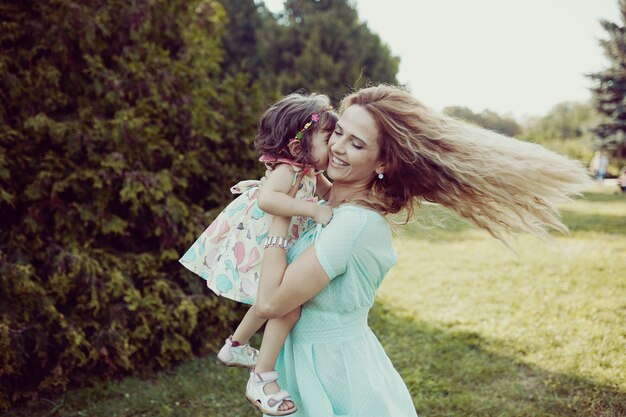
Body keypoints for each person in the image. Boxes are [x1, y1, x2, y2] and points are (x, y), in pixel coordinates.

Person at [238, 84, 591, 416]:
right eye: (338, 133)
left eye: (357, 144)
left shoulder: (352, 224)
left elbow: (271, 303)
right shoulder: (329, 204)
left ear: (383, 163)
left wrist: (278, 214)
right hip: (311, 365)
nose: (337, 148)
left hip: (336, 378)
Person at [179, 93, 337, 415]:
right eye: (328, 139)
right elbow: (268, 201)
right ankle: (262, 377)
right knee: (284, 308)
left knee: (267, 301)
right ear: (297, 148)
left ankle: (234, 346)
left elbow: (332, 194)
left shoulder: (308, 171)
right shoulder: (287, 172)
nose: (334, 146)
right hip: (263, 244)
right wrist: (313, 210)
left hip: (278, 244)